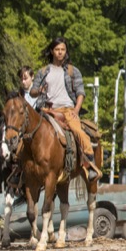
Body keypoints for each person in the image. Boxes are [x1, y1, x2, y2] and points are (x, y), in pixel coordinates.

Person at [29, 37, 101, 182]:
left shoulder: (72, 71)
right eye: (57, 49)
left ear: (66, 52)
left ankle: (90, 164)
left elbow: (81, 93)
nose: (60, 52)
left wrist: (76, 110)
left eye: (62, 49)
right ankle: (21, 169)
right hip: (46, 110)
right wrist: (39, 91)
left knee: (78, 131)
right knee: (28, 132)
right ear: (51, 51)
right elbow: (32, 92)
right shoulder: (43, 71)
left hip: (67, 110)